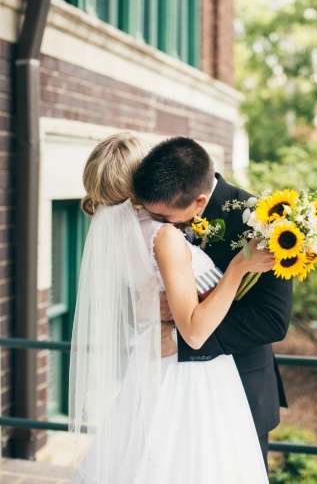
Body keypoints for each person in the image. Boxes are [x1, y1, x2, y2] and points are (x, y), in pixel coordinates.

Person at [69, 132, 274, 483]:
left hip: (155, 366)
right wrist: (240, 266)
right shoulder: (163, 236)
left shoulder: (121, 233)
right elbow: (193, 331)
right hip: (191, 376)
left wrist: (148, 307)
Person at [133, 136, 293, 469]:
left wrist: (182, 339)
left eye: (163, 215)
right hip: (172, 390)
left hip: (241, 384)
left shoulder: (264, 221)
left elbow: (272, 319)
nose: (157, 222)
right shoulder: (157, 220)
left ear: (200, 200)